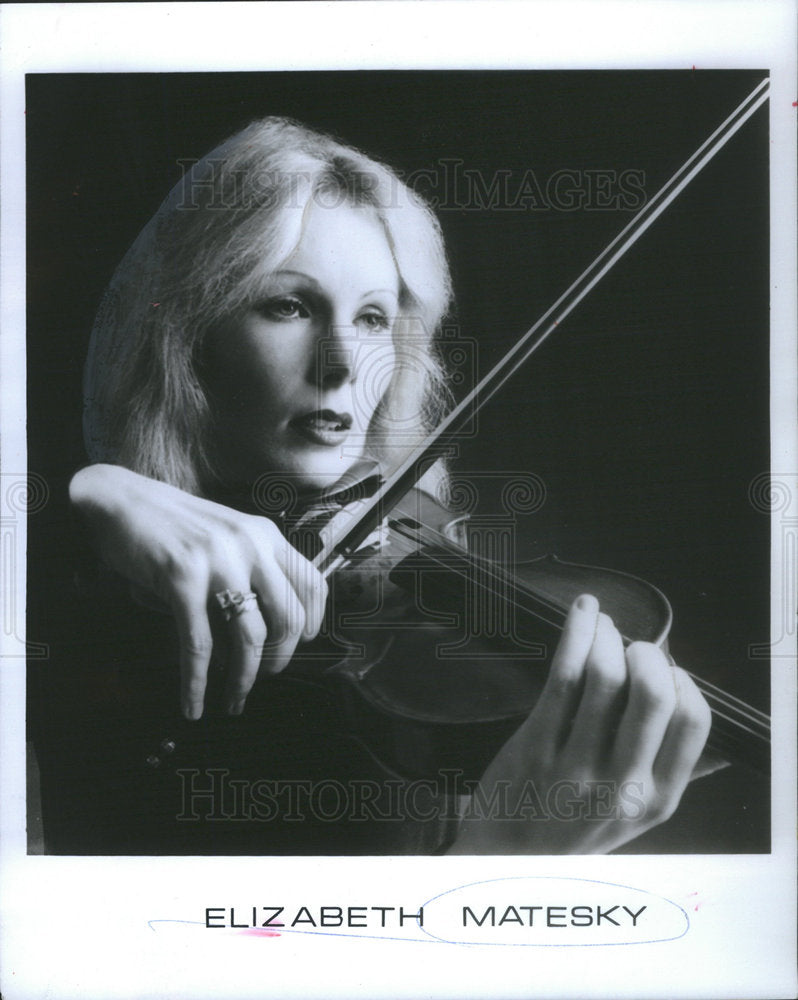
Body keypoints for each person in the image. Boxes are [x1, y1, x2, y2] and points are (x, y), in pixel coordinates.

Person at [56, 117, 711, 855]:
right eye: (289, 306)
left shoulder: (393, 686)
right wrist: (94, 490)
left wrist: (504, 850)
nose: (344, 364)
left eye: (373, 317)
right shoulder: (83, 597)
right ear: (187, 337)